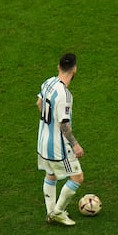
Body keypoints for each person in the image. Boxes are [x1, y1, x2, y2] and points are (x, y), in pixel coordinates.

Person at [36, 53, 84, 226]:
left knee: (51, 174)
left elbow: (39, 104)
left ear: (58, 67)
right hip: (58, 147)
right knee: (77, 178)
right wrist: (75, 144)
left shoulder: (48, 82)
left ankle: (50, 212)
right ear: (74, 70)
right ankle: (57, 212)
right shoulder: (65, 95)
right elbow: (64, 125)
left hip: (42, 143)